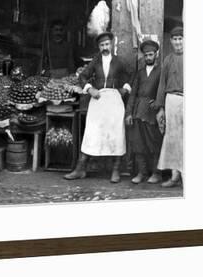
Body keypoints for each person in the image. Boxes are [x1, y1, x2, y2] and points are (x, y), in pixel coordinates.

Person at [64, 31, 132, 183]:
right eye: (102, 45)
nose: (105, 47)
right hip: (98, 99)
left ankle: (115, 171)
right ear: (99, 47)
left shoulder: (119, 61)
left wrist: (125, 89)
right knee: (91, 132)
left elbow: (131, 75)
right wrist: (89, 89)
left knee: (116, 134)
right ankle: (80, 169)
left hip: (114, 101)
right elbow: (82, 76)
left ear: (112, 44)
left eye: (107, 44)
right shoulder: (95, 61)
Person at [125, 39, 163, 184]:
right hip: (138, 112)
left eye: (151, 54)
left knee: (153, 143)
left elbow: (163, 90)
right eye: (146, 55)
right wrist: (129, 113)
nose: (148, 57)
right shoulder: (140, 73)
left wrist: (159, 102)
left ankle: (156, 173)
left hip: (152, 113)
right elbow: (133, 94)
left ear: (156, 55)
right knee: (138, 143)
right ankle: (142, 173)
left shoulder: (161, 71)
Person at [155, 26, 184, 188]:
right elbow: (161, 85)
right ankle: (174, 176)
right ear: (171, 41)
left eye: (181, 38)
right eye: (175, 39)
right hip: (171, 100)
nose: (178, 42)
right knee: (172, 138)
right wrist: (160, 108)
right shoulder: (167, 60)